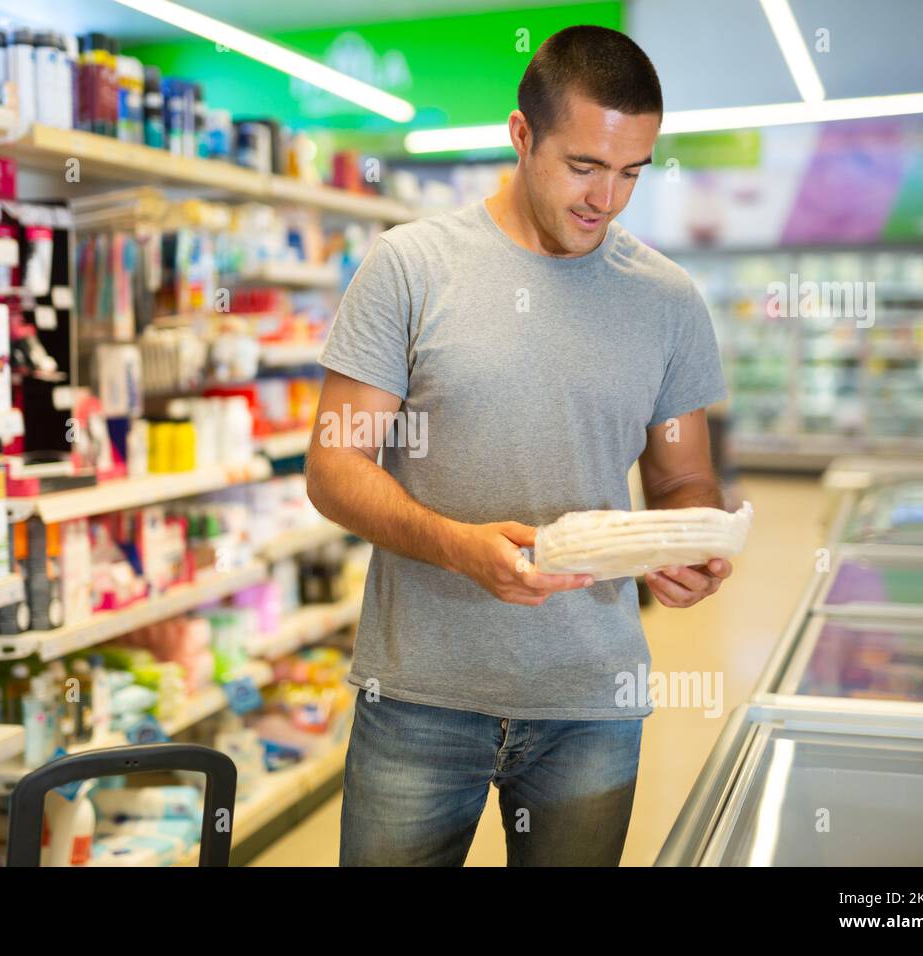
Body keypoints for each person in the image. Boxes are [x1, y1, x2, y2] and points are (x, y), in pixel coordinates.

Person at [306, 24, 732, 867]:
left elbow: (685, 479)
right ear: (521, 134)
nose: (604, 199)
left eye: (629, 173)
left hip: (591, 701)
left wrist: (693, 545)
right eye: (583, 166)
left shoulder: (667, 301)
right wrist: (460, 550)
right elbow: (335, 467)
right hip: (420, 697)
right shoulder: (410, 268)